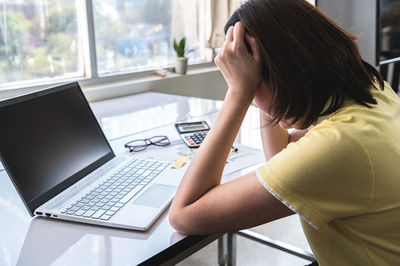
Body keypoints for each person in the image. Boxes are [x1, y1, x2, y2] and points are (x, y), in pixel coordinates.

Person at [169, 0, 400, 264]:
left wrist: (239, 93)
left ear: (281, 73)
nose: (254, 101)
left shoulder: (339, 146)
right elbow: (281, 154)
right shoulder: (372, 89)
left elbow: (184, 215)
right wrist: (258, 80)